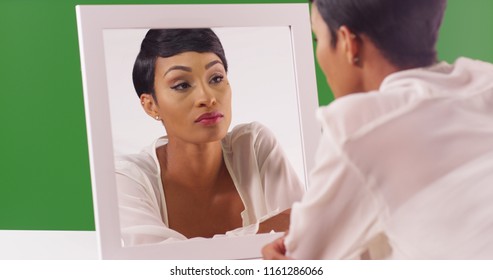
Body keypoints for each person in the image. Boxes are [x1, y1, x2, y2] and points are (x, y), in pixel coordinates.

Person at [263, 0, 493, 259]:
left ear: (348, 43)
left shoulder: (359, 127)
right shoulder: (485, 78)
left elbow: (300, 260)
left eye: (319, 39)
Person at [116, 28, 305, 246]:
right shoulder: (127, 179)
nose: (207, 98)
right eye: (182, 85)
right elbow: (158, 264)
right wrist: (263, 229)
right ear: (151, 105)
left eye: (216, 78)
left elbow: (307, 236)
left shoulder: (253, 146)